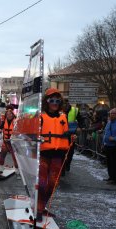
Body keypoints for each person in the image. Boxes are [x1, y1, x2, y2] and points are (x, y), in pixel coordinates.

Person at [38, 88, 71, 222]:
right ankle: (39, 209)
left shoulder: (63, 117)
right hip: (44, 153)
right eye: (52, 100)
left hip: (58, 155)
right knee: (42, 183)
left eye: (57, 100)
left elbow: (66, 134)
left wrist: (71, 136)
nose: (55, 103)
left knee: (52, 184)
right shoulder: (41, 117)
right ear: (47, 101)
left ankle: (42, 206)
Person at [0, 106, 19, 175]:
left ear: (12, 114)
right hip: (5, 142)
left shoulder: (16, 121)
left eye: (10, 114)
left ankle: (17, 170)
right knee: (2, 155)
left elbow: (19, 131)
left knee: (15, 157)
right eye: (7, 114)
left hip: (13, 143)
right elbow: (0, 128)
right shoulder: (4, 122)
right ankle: (1, 168)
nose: (9, 115)